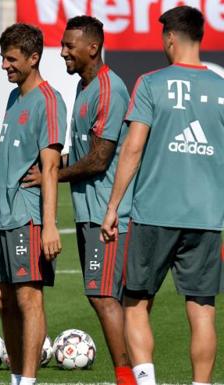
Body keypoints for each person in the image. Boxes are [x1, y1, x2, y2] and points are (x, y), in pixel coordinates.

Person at [101, 6, 223, 385]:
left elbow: (132, 149)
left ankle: (147, 382)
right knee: (202, 310)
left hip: (154, 213)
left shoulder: (151, 83)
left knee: (136, 304)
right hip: (207, 217)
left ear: (169, 38)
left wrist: (113, 206)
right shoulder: (222, 88)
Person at [21, 16, 136, 385]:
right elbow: (83, 152)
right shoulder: (85, 88)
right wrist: (50, 164)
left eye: (70, 46)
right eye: (63, 44)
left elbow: (100, 158)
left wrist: (51, 175)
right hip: (90, 211)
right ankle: (134, 372)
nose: (63, 51)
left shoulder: (108, 89)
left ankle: (127, 377)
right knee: (104, 296)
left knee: (103, 296)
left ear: (93, 47)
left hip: (109, 213)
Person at [0, 23, 65, 385]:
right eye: (3, 57)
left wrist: (49, 225)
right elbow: (8, 161)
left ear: (34, 58)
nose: (4, 65)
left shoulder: (48, 100)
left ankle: (27, 381)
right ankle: (17, 376)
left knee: (29, 300)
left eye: (11, 58)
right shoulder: (15, 97)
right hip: (1, 216)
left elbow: (50, 167)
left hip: (27, 217)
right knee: (4, 300)